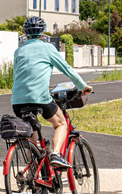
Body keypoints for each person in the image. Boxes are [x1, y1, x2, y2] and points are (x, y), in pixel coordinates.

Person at [11, 16, 93, 170]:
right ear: (43, 34)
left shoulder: (19, 51)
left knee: (31, 134)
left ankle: (33, 175)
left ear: (25, 34)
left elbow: (16, 76)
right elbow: (67, 69)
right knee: (61, 123)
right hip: (40, 98)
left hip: (18, 100)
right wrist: (83, 86)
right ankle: (56, 154)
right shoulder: (48, 48)